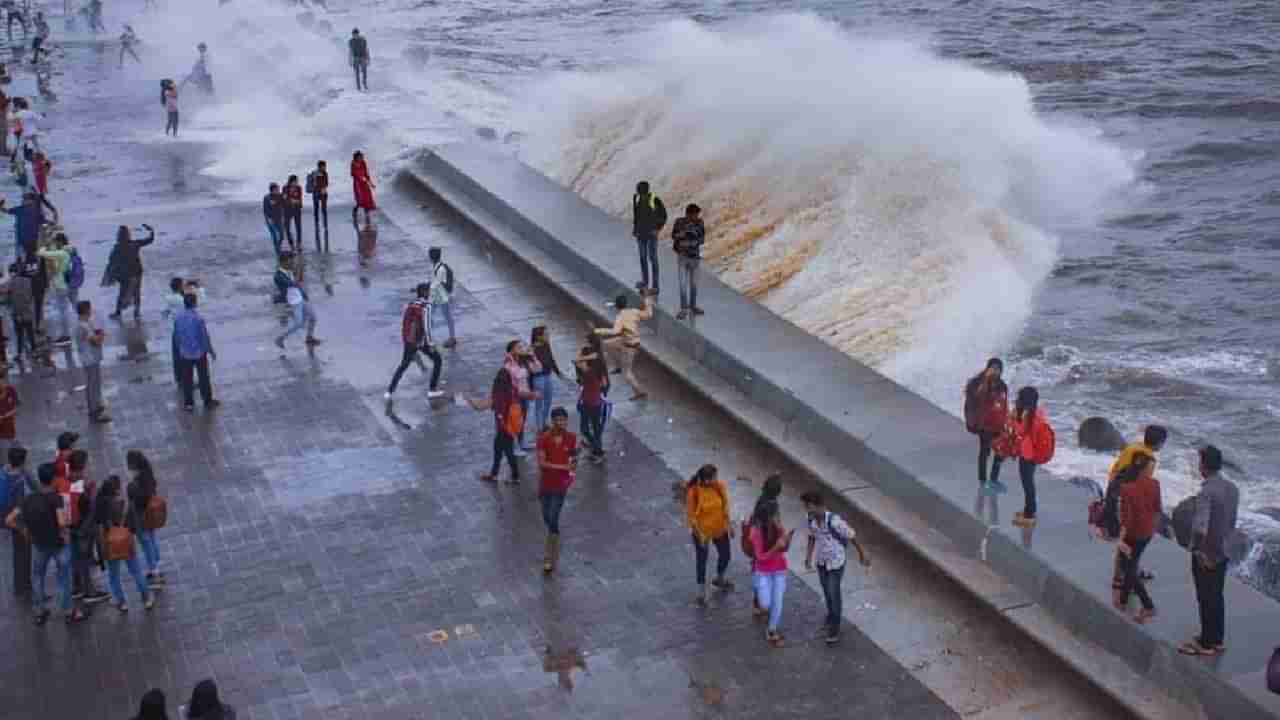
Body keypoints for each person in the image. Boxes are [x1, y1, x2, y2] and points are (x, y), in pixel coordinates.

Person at [6, 462, 84, 625]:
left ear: (40, 480)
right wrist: (66, 534)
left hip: (39, 544)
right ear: (53, 479)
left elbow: (9, 520)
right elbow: (62, 522)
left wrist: (24, 530)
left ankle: (39, 612)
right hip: (58, 545)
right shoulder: (56, 499)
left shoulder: (28, 499)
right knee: (63, 577)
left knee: (37, 576)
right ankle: (68, 611)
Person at [1179, 445, 1239, 658]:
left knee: (1205, 597)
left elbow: (1200, 527)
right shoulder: (1232, 488)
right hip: (1224, 551)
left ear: (1203, 466)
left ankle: (1205, 643)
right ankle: (1217, 639)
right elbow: (1231, 521)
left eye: (1199, 462)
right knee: (1217, 595)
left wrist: (1198, 551)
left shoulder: (1207, 492)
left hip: (1207, 554)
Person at [1105, 425, 1168, 602]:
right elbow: (1136, 481)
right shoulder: (1147, 459)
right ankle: (1120, 578)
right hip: (1124, 498)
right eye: (1163, 442)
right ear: (1159, 443)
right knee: (1126, 540)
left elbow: (1116, 471)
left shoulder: (1133, 448)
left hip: (1119, 493)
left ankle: (1130, 572)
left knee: (1130, 542)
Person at [802, 491, 869, 644]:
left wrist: (862, 554)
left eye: (808, 506)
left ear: (817, 505)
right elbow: (811, 537)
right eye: (806, 507)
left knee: (834, 592)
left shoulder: (834, 521)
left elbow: (852, 536)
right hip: (822, 562)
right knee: (827, 592)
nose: (807, 510)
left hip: (836, 562)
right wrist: (808, 557)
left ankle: (834, 629)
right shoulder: (810, 520)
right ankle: (832, 615)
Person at [95, 475, 154, 611]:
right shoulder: (124, 504)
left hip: (110, 543)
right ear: (116, 490)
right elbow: (132, 524)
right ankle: (146, 598)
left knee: (114, 575)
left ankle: (121, 602)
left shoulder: (100, 506)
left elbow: (98, 528)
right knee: (136, 571)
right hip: (125, 540)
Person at [1113, 455, 1160, 624]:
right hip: (1148, 532)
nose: (1152, 471)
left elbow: (1126, 519)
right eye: (1151, 468)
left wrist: (1120, 540)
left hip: (1133, 534)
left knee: (1128, 568)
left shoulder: (1127, 489)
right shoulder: (1155, 484)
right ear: (1144, 469)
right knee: (1131, 564)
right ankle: (1124, 599)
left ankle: (1148, 606)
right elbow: (1157, 509)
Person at [384, 282, 444, 404]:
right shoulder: (426, 306)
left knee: (403, 366)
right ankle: (432, 390)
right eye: (428, 291)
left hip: (409, 340)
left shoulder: (411, 304)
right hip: (421, 340)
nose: (430, 293)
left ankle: (389, 391)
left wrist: (407, 339)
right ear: (424, 292)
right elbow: (427, 326)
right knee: (438, 360)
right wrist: (431, 343)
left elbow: (405, 322)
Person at [66, 449, 110, 605]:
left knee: (75, 557)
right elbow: (91, 508)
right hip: (84, 528)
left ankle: (76, 588)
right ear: (82, 466)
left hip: (70, 526)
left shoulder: (66, 480)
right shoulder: (86, 484)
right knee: (85, 558)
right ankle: (89, 592)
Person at [592, 292, 655, 401]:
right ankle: (617, 365)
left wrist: (597, 331)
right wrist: (647, 301)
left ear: (617, 306)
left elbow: (615, 331)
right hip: (626, 339)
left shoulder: (620, 317)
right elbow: (648, 314)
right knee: (606, 344)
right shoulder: (634, 311)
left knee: (627, 373)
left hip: (629, 346)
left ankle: (640, 392)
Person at [686, 464, 733, 607]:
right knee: (702, 561)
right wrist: (699, 534)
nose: (717, 479)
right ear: (706, 480)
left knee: (726, 555)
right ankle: (701, 593)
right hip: (702, 533)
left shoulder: (718, 486)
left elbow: (725, 505)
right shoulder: (693, 492)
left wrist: (729, 525)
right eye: (714, 477)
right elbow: (691, 517)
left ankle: (719, 578)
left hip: (719, 529)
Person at [537, 407, 577, 574]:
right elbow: (542, 463)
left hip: (561, 485)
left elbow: (574, 460)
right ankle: (554, 536)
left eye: (564, 420)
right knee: (547, 517)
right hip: (545, 485)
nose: (561, 423)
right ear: (553, 421)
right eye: (558, 420)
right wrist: (563, 466)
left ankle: (548, 556)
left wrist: (573, 464)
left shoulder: (571, 438)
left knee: (553, 517)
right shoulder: (544, 439)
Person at [749, 499, 792, 648]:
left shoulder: (778, 527)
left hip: (779, 569)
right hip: (763, 571)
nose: (778, 516)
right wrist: (775, 547)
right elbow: (760, 556)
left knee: (777, 601)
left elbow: (784, 549)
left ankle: (772, 629)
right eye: (776, 514)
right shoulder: (756, 532)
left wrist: (787, 539)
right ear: (768, 516)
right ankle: (758, 599)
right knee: (766, 604)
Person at [1009, 386, 1052, 528]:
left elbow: (1020, 431)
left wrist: (1013, 419)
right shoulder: (1038, 412)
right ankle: (1029, 510)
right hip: (1034, 453)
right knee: (1029, 482)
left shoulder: (1028, 416)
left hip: (1028, 455)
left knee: (1027, 483)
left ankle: (1029, 514)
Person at [964, 358, 1010, 493]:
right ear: (987, 368)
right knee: (985, 452)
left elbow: (1004, 405)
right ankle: (983, 480)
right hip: (984, 424)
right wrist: (986, 380)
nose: (996, 371)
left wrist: (1007, 422)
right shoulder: (977, 383)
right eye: (993, 368)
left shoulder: (1002, 385)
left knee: (1000, 452)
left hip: (998, 424)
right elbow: (978, 396)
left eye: (998, 368)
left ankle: (994, 479)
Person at [471, 368, 522, 485]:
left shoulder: (498, 394)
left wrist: (469, 401)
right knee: (499, 450)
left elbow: (480, 407)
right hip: (511, 427)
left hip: (502, 428)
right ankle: (494, 474)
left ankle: (515, 476)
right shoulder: (513, 390)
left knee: (507, 452)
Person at [174, 293, 219, 412]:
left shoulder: (178, 318)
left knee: (187, 378)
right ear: (195, 303)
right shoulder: (198, 319)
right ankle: (207, 400)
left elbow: (177, 335)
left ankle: (189, 403)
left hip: (185, 353)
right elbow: (204, 337)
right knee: (203, 377)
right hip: (199, 353)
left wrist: (180, 348)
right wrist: (211, 351)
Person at [126, 450, 164, 584]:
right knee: (152, 539)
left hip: (141, 517)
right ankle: (157, 564)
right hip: (150, 515)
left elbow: (139, 499)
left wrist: (130, 488)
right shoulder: (148, 474)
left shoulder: (138, 483)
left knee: (146, 541)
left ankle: (153, 569)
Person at [103, 224, 155, 321]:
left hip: (125, 275)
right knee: (136, 293)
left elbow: (111, 262)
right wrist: (151, 230)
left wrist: (112, 275)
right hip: (137, 273)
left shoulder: (117, 248)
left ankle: (118, 313)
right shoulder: (134, 244)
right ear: (128, 234)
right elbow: (150, 240)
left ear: (118, 235)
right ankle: (136, 313)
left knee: (122, 293)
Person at [73, 301, 110, 422]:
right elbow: (96, 341)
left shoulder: (85, 324)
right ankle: (94, 410)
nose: (91, 311)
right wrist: (102, 334)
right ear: (86, 311)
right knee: (93, 384)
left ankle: (96, 405)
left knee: (95, 382)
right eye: (90, 309)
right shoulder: (83, 326)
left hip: (91, 358)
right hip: (90, 359)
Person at [502, 340, 542, 454]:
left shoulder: (523, 361)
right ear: (512, 350)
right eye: (519, 347)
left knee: (522, 421)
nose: (522, 349)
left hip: (524, 395)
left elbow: (538, 369)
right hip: (514, 396)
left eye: (522, 347)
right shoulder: (508, 363)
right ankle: (514, 447)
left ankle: (521, 443)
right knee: (515, 421)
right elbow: (517, 375)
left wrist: (533, 356)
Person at [574, 335, 608, 463]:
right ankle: (596, 449)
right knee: (595, 427)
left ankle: (597, 451)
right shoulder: (598, 364)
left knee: (586, 428)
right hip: (594, 400)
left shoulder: (589, 370)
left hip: (589, 401)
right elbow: (604, 383)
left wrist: (585, 355)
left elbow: (576, 360)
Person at [1, 446, 30, 595]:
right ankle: (23, 586)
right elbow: (19, 506)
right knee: (22, 552)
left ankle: (21, 585)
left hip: (3, 512)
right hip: (14, 517)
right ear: (22, 463)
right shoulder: (18, 480)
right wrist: (22, 528)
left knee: (18, 552)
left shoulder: (3, 471)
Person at [36, 234, 72, 345]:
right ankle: (65, 334)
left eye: (56, 242)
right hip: (64, 284)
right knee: (63, 310)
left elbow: (41, 253)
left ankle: (65, 335)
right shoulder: (67, 251)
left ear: (60, 242)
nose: (55, 243)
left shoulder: (60, 253)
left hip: (59, 285)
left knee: (61, 311)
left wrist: (44, 246)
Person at [632, 181, 667, 295]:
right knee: (643, 258)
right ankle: (645, 282)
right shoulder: (636, 199)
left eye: (640, 191)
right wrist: (635, 229)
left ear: (645, 191)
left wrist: (657, 229)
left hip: (651, 234)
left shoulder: (654, 199)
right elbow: (636, 215)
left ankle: (655, 287)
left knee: (652, 259)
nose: (639, 193)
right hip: (641, 234)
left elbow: (664, 215)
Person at [671, 203, 705, 319]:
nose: (697, 216)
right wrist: (685, 233)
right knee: (683, 284)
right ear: (689, 214)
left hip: (695, 258)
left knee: (694, 284)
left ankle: (693, 306)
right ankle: (684, 309)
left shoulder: (700, 223)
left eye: (697, 215)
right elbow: (674, 236)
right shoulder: (679, 222)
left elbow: (701, 239)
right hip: (682, 257)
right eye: (695, 214)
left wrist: (688, 239)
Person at [274, 269, 320, 350]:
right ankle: (280, 338)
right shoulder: (279, 275)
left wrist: (304, 293)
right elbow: (287, 286)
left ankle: (309, 337)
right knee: (298, 323)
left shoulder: (292, 271)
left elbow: (298, 284)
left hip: (301, 299)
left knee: (313, 317)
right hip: (294, 302)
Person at [529, 326, 562, 433]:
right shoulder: (532, 349)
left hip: (547, 376)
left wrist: (558, 372)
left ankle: (543, 423)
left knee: (548, 401)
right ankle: (539, 427)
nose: (548, 335)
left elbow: (551, 359)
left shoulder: (546, 344)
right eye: (546, 334)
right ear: (538, 337)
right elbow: (530, 368)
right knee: (539, 403)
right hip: (538, 378)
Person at [2, 191, 53, 259]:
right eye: (23, 199)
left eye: (25, 199)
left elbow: (42, 221)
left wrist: (50, 223)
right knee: (29, 254)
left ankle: (30, 263)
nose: (23, 200)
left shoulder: (23, 209)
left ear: (32, 201)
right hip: (26, 238)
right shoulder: (22, 209)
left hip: (28, 238)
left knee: (29, 254)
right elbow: (7, 211)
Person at [428, 247, 456, 347]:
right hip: (437, 296)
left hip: (441, 297)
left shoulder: (440, 269)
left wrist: (426, 288)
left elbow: (435, 283)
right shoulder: (437, 266)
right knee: (430, 315)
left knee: (447, 317)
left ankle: (452, 338)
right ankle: (428, 337)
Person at [8, 261, 33, 361]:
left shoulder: (11, 283)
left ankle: (19, 353)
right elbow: (30, 296)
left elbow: (7, 298)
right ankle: (34, 350)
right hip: (27, 311)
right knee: (29, 332)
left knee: (19, 335)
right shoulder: (28, 281)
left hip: (17, 313)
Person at [351, 151, 376, 225]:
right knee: (360, 200)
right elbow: (353, 174)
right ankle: (355, 210)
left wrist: (371, 183)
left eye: (362, 157)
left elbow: (366, 173)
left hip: (364, 184)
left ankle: (367, 215)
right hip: (357, 184)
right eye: (360, 157)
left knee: (368, 199)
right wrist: (360, 178)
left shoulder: (363, 162)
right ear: (356, 157)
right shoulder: (353, 163)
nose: (362, 158)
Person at [308, 160, 329, 242]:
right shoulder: (314, 173)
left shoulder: (325, 173)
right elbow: (314, 184)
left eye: (325, 166)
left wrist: (324, 188)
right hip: (316, 193)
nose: (324, 167)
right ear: (319, 166)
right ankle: (316, 223)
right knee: (316, 209)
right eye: (323, 166)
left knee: (324, 209)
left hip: (323, 193)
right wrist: (320, 188)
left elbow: (327, 182)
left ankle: (325, 224)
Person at [282, 174, 304, 252]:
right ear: (291, 181)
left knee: (298, 227)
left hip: (297, 209)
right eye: (295, 181)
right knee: (287, 228)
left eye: (297, 181)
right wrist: (291, 200)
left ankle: (299, 243)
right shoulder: (285, 188)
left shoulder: (299, 188)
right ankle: (291, 243)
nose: (296, 183)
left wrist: (296, 201)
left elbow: (300, 198)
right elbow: (284, 198)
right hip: (287, 210)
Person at [262, 183, 285, 256]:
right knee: (275, 236)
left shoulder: (280, 196)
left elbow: (284, 205)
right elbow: (265, 210)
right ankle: (278, 251)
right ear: (273, 190)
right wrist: (268, 219)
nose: (279, 190)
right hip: (270, 220)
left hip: (279, 219)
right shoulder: (267, 198)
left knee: (282, 236)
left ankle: (279, 247)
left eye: (278, 189)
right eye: (277, 189)